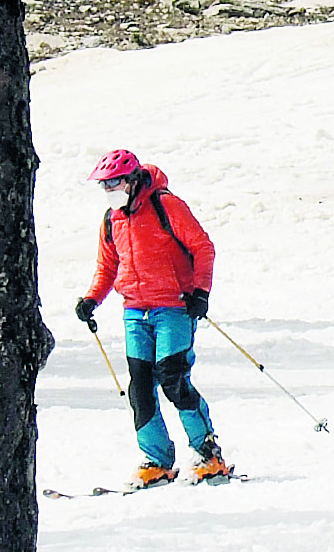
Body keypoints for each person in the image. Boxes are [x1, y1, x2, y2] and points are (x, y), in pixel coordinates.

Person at [74, 149, 232, 486]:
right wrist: (91, 299)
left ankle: (208, 453)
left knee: (173, 377)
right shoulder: (111, 219)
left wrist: (200, 292)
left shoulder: (166, 206)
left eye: (113, 183)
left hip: (173, 308)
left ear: (132, 180)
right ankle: (156, 461)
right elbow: (108, 266)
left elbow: (203, 247)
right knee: (141, 387)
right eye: (104, 185)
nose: (109, 190)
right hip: (135, 311)